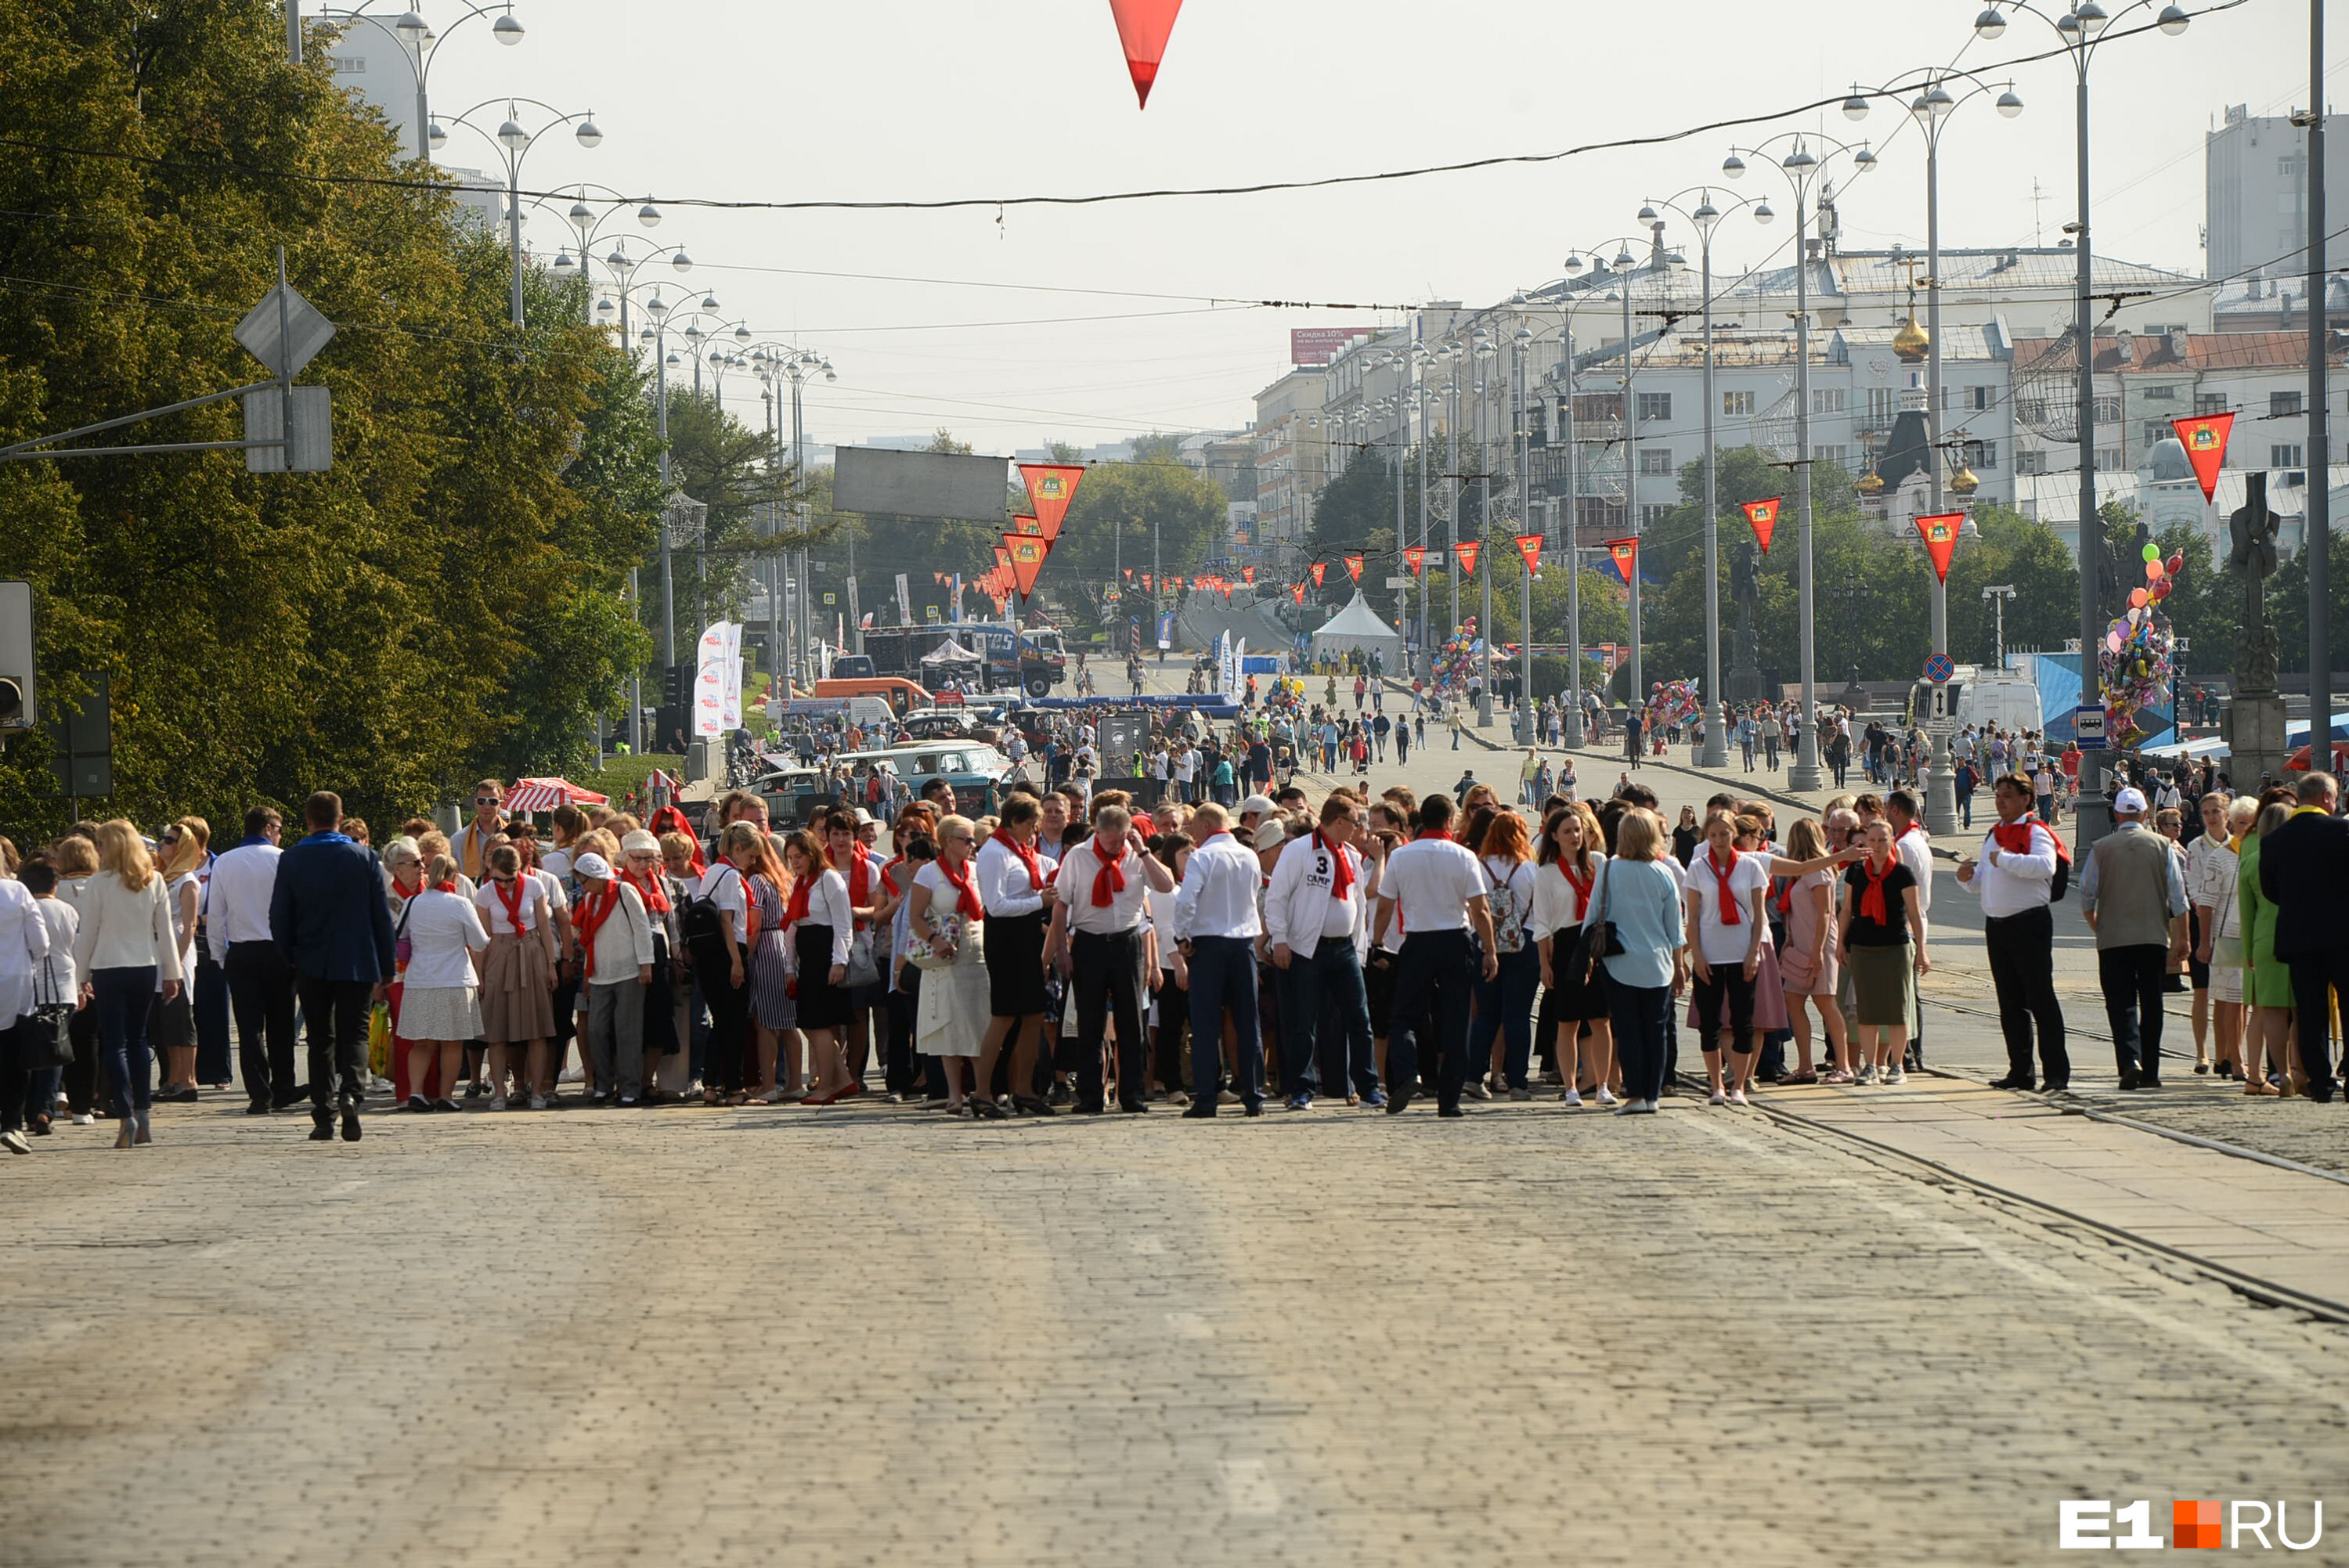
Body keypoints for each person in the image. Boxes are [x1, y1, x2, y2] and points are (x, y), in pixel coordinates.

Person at [269, 792, 395, 1143]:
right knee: (354, 1033)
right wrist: (386, 964)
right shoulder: (364, 857)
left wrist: (288, 955)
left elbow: (280, 914)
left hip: (310, 959)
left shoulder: (293, 858)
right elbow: (380, 917)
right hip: (356, 959)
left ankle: (323, 1114)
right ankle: (352, 1093)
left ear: (309, 820)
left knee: (320, 1039)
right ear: (341, 819)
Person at [1371, 794, 1499, 1117]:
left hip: (1417, 941)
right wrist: (1490, 950)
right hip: (1456, 939)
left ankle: (1407, 1073)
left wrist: (1376, 942)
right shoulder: (1462, 855)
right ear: (1448, 820)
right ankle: (1449, 1100)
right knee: (1456, 1022)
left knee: (1403, 1016)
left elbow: (1385, 905)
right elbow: (1480, 909)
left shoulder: (1401, 856)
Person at [1048, 802, 1175, 1113]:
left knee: (1131, 1022)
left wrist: (1143, 851)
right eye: (1110, 842)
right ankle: (1090, 1095)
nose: (1116, 847)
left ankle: (1131, 1094)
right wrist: (1061, 951)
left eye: (1121, 840)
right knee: (1089, 1021)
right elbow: (1061, 904)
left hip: (1127, 942)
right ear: (1098, 833)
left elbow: (1167, 885)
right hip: (1088, 942)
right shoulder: (1078, 856)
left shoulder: (1135, 854)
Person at [1262, 791, 1380, 1112]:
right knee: (1304, 1021)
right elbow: (1278, 897)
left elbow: (1357, 901)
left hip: (1343, 948)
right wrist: (1281, 938)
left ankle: (1368, 1087)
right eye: (1355, 822)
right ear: (1339, 822)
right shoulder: (1300, 851)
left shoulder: (1351, 854)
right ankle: (1302, 1089)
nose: (1359, 828)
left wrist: (1361, 946)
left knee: (1359, 1019)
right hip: (1306, 948)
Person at [2078, 786, 2189, 1090]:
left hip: (2113, 939)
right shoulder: (2162, 846)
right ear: (2144, 815)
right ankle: (2151, 1071)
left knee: (2120, 1003)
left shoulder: (2101, 847)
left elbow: (2087, 896)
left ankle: (2129, 1061)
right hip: (2153, 937)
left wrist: (2097, 925)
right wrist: (2184, 939)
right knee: (2153, 1002)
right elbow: (2179, 898)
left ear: (2116, 813)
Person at [1583, 809, 1683, 1114]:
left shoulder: (1611, 869)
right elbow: (1675, 929)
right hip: (1658, 964)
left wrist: (1587, 957)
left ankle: (1636, 1093)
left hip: (1620, 963)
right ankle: (1652, 1095)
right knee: (1656, 1031)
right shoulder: (1664, 873)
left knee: (1628, 1031)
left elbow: (1592, 917)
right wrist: (1679, 966)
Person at [2257, 771, 2349, 1101]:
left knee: (2310, 1014)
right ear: (2326, 797)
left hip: (2299, 939)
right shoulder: (2343, 831)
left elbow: (2271, 891)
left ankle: (2320, 1083)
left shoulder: (2274, 840)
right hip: (2343, 937)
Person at [1171, 801, 1265, 1117]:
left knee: (1206, 1024)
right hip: (1242, 944)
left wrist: (1182, 936)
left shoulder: (1202, 857)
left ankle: (1207, 1098)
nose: (1193, 834)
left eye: (1195, 827)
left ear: (1207, 826)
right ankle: (1253, 1095)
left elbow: (1186, 901)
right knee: (1247, 1022)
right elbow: (1253, 895)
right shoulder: (1249, 855)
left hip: (1209, 944)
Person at [208, 806, 301, 1112]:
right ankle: (283, 1086)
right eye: (279, 829)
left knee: (249, 1028)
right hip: (278, 950)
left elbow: (217, 914)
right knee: (281, 1024)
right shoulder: (284, 859)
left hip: (242, 950)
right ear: (269, 828)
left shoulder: (225, 862)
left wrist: (220, 955)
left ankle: (259, 1094)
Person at [975, 792, 1059, 1116]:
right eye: (1031, 824)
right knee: (1004, 1016)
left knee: (1034, 1015)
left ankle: (1024, 1089)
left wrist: (1042, 895)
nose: (1035, 831)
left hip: (1025, 936)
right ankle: (982, 1091)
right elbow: (995, 905)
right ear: (1014, 822)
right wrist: (1040, 902)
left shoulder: (1020, 850)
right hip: (1005, 937)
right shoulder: (995, 852)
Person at [1682, 810, 1771, 1106]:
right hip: (1709, 953)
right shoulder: (1698, 868)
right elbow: (1692, 917)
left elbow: (1759, 915)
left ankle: (1740, 1086)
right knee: (1710, 1023)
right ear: (1706, 837)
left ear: (1734, 833)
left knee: (1743, 1020)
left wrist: (1753, 952)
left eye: (1724, 834)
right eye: (1713, 835)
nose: (1719, 840)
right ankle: (1717, 1085)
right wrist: (1697, 954)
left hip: (1741, 952)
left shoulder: (1751, 867)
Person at [1836, 819, 1930, 1083]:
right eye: (1872, 841)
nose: (1876, 846)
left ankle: (1897, 1065)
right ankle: (1870, 1066)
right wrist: (1841, 944)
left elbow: (1914, 913)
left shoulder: (1902, 874)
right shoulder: (1857, 871)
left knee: (1896, 1007)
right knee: (1866, 1010)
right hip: (1863, 947)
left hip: (1895, 946)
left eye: (1882, 840)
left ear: (1891, 842)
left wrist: (1921, 950)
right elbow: (1847, 911)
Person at [395, 852, 489, 1114]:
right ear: (454, 876)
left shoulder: (413, 903)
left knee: (421, 1042)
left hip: (420, 980)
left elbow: (400, 936)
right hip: (454, 978)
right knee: (452, 1042)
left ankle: (416, 1093)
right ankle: (446, 1095)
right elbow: (480, 942)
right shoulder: (459, 904)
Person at [1533, 803, 1614, 1105]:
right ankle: (1571, 1088)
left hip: (1596, 943)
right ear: (1554, 836)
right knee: (1567, 1022)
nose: (1574, 836)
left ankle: (1602, 1084)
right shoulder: (1547, 873)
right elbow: (1542, 922)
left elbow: (1610, 902)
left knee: (1601, 1019)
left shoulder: (1599, 862)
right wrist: (1544, 963)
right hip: (1565, 945)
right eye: (1567, 831)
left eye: (1578, 830)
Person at [476, 842, 559, 1110]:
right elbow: (483, 939)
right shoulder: (485, 893)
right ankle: (500, 1091)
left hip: (531, 950)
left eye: (511, 879)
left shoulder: (534, 886)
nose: (506, 886)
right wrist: (479, 975)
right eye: (500, 880)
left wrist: (550, 964)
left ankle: (537, 1092)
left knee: (537, 1028)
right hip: (500, 953)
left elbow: (546, 928)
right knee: (497, 1030)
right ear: (491, 871)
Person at [1468, 809, 1541, 1101]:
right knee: (1518, 1016)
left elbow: (1471, 907)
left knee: (1486, 1014)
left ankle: (1474, 1076)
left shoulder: (1479, 865)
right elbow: (1541, 910)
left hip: (1485, 944)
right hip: (1524, 942)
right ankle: (1517, 1082)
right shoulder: (1527, 869)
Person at [575, 850, 656, 1107]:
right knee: (596, 1029)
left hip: (630, 970)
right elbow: (589, 937)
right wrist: (588, 971)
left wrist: (646, 964)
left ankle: (630, 1087)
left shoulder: (624, 891)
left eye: (584, 880)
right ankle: (604, 1084)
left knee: (627, 1030)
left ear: (595, 876)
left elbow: (642, 927)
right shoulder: (589, 899)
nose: (583, 886)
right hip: (600, 973)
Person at [779, 831, 855, 1105]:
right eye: (790, 858)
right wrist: (789, 966)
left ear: (811, 853)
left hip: (825, 954)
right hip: (808, 958)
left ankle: (826, 1086)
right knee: (809, 1024)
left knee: (819, 1024)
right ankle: (843, 1079)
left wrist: (839, 961)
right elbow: (792, 925)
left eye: (798, 856)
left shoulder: (829, 879)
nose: (794, 862)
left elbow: (843, 925)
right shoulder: (800, 883)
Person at [693, 823, 763, 1106]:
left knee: (720, 1023)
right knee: (733, 1024)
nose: (753, 861)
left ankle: (711, 1084)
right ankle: (734, 1089)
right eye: (752, 855)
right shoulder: (731, 876)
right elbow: (727, 919)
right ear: (738, 849)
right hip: (728, 952)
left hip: (708, 955)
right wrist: (737, 961)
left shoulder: (712, 871)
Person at [2235, 799, 2298, 1095]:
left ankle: (2281, 1072)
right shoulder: (2302, 859)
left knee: (2270, 1010)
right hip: (2301, 938)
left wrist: (2248, 953)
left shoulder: (2249, 863)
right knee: (2302, 1009)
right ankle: (2302, 1070)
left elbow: (2246, 915)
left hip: (2263, 941)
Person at [2190, 795, 2251, 1084]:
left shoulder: (2254, 852)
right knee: (2226, 998)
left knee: (2241, 1002)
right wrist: (2204, 941)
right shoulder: (2204, 850)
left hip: (2252, 934)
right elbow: (2202, 898)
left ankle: (2231, 1056)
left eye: (2217, 812)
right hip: (2222, 933)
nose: (2212, 817)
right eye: (2206, 813)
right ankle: (2227, 1057)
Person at [149, 820, 206, 1102]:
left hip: (177, 953)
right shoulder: (163, 876)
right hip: (159, 952)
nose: (163, 844)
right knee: (167, 1021)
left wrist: (177, 962)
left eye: (170, 841)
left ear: (183, 847)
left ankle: (188, 1080)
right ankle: (172, 1078)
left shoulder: (187, 880)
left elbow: (190, 925)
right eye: (164, 839)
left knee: (182, 1019)